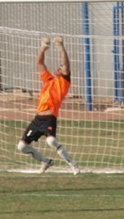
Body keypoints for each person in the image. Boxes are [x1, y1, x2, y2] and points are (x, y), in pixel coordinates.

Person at [16, 36, 80, 175]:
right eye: (59, 67)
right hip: (37, 119)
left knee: (51, 141)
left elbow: (66, 65)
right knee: (21, 146)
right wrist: (43, 48)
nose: (59, 67)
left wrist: (60, 46)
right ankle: (45, 161)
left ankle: (72, 164)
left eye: (61, 67)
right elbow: (39, 62)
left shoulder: (63, 83)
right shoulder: (48, 79)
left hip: (49, 118)